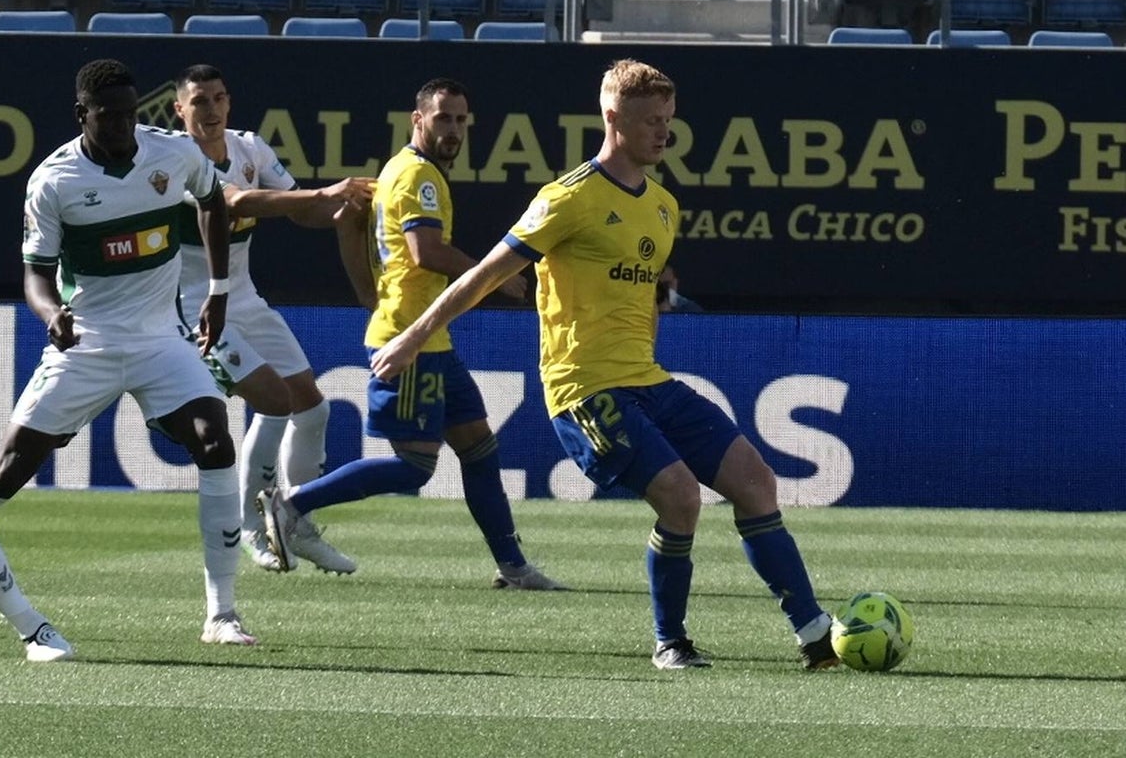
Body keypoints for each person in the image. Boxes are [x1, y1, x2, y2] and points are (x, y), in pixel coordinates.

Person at [369, 60, 838, 670]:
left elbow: (640, 301)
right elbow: (483, 275)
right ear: (612, 118)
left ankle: (815, 634)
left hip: (647, 380)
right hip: (583, 390)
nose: (664, 134)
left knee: (755, 481)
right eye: (651, 122)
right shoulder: (568, 198)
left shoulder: (664, 207)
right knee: (680, 498)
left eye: (669, 121)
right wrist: (411, 338)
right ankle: (670, 642)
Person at [0, 59, 256, 648]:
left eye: (131, 114)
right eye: (110, 115)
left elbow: (213, 200)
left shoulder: (171, 153)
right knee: (7, 473)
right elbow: (35, 274)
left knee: (214, 437)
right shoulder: (54, 181)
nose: (125, 125)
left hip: (160, 337)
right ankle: (27, 620)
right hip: (89, 341)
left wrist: (218, 292)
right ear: (83, 115)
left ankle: (222, 614)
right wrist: (53, 315)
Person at [260, 78, 563, 591]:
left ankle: (512, 567)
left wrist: (366, 294)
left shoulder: (396, 171)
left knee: (479, 448)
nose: (454, 129)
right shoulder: (419, 177)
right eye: (443, 118)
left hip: (430, 337)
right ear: (417, 121)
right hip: (410, 338)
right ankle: (291, 503)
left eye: (462, 119)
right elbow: (425, 252)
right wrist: (495, 277)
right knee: (415, 465)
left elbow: (349, 225)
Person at [173, 63, 374, 575]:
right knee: (276, 400)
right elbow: (233, 202)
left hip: (244, 297)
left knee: (313, 409)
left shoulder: (249, 148)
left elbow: (298, 210)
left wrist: (340, 208)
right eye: (199, 101)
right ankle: (248, 523)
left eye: (218, 98)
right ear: (180, 110)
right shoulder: (174, 160)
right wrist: (323, 194)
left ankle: (294, 521)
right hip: (196, 304)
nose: (211, 109)